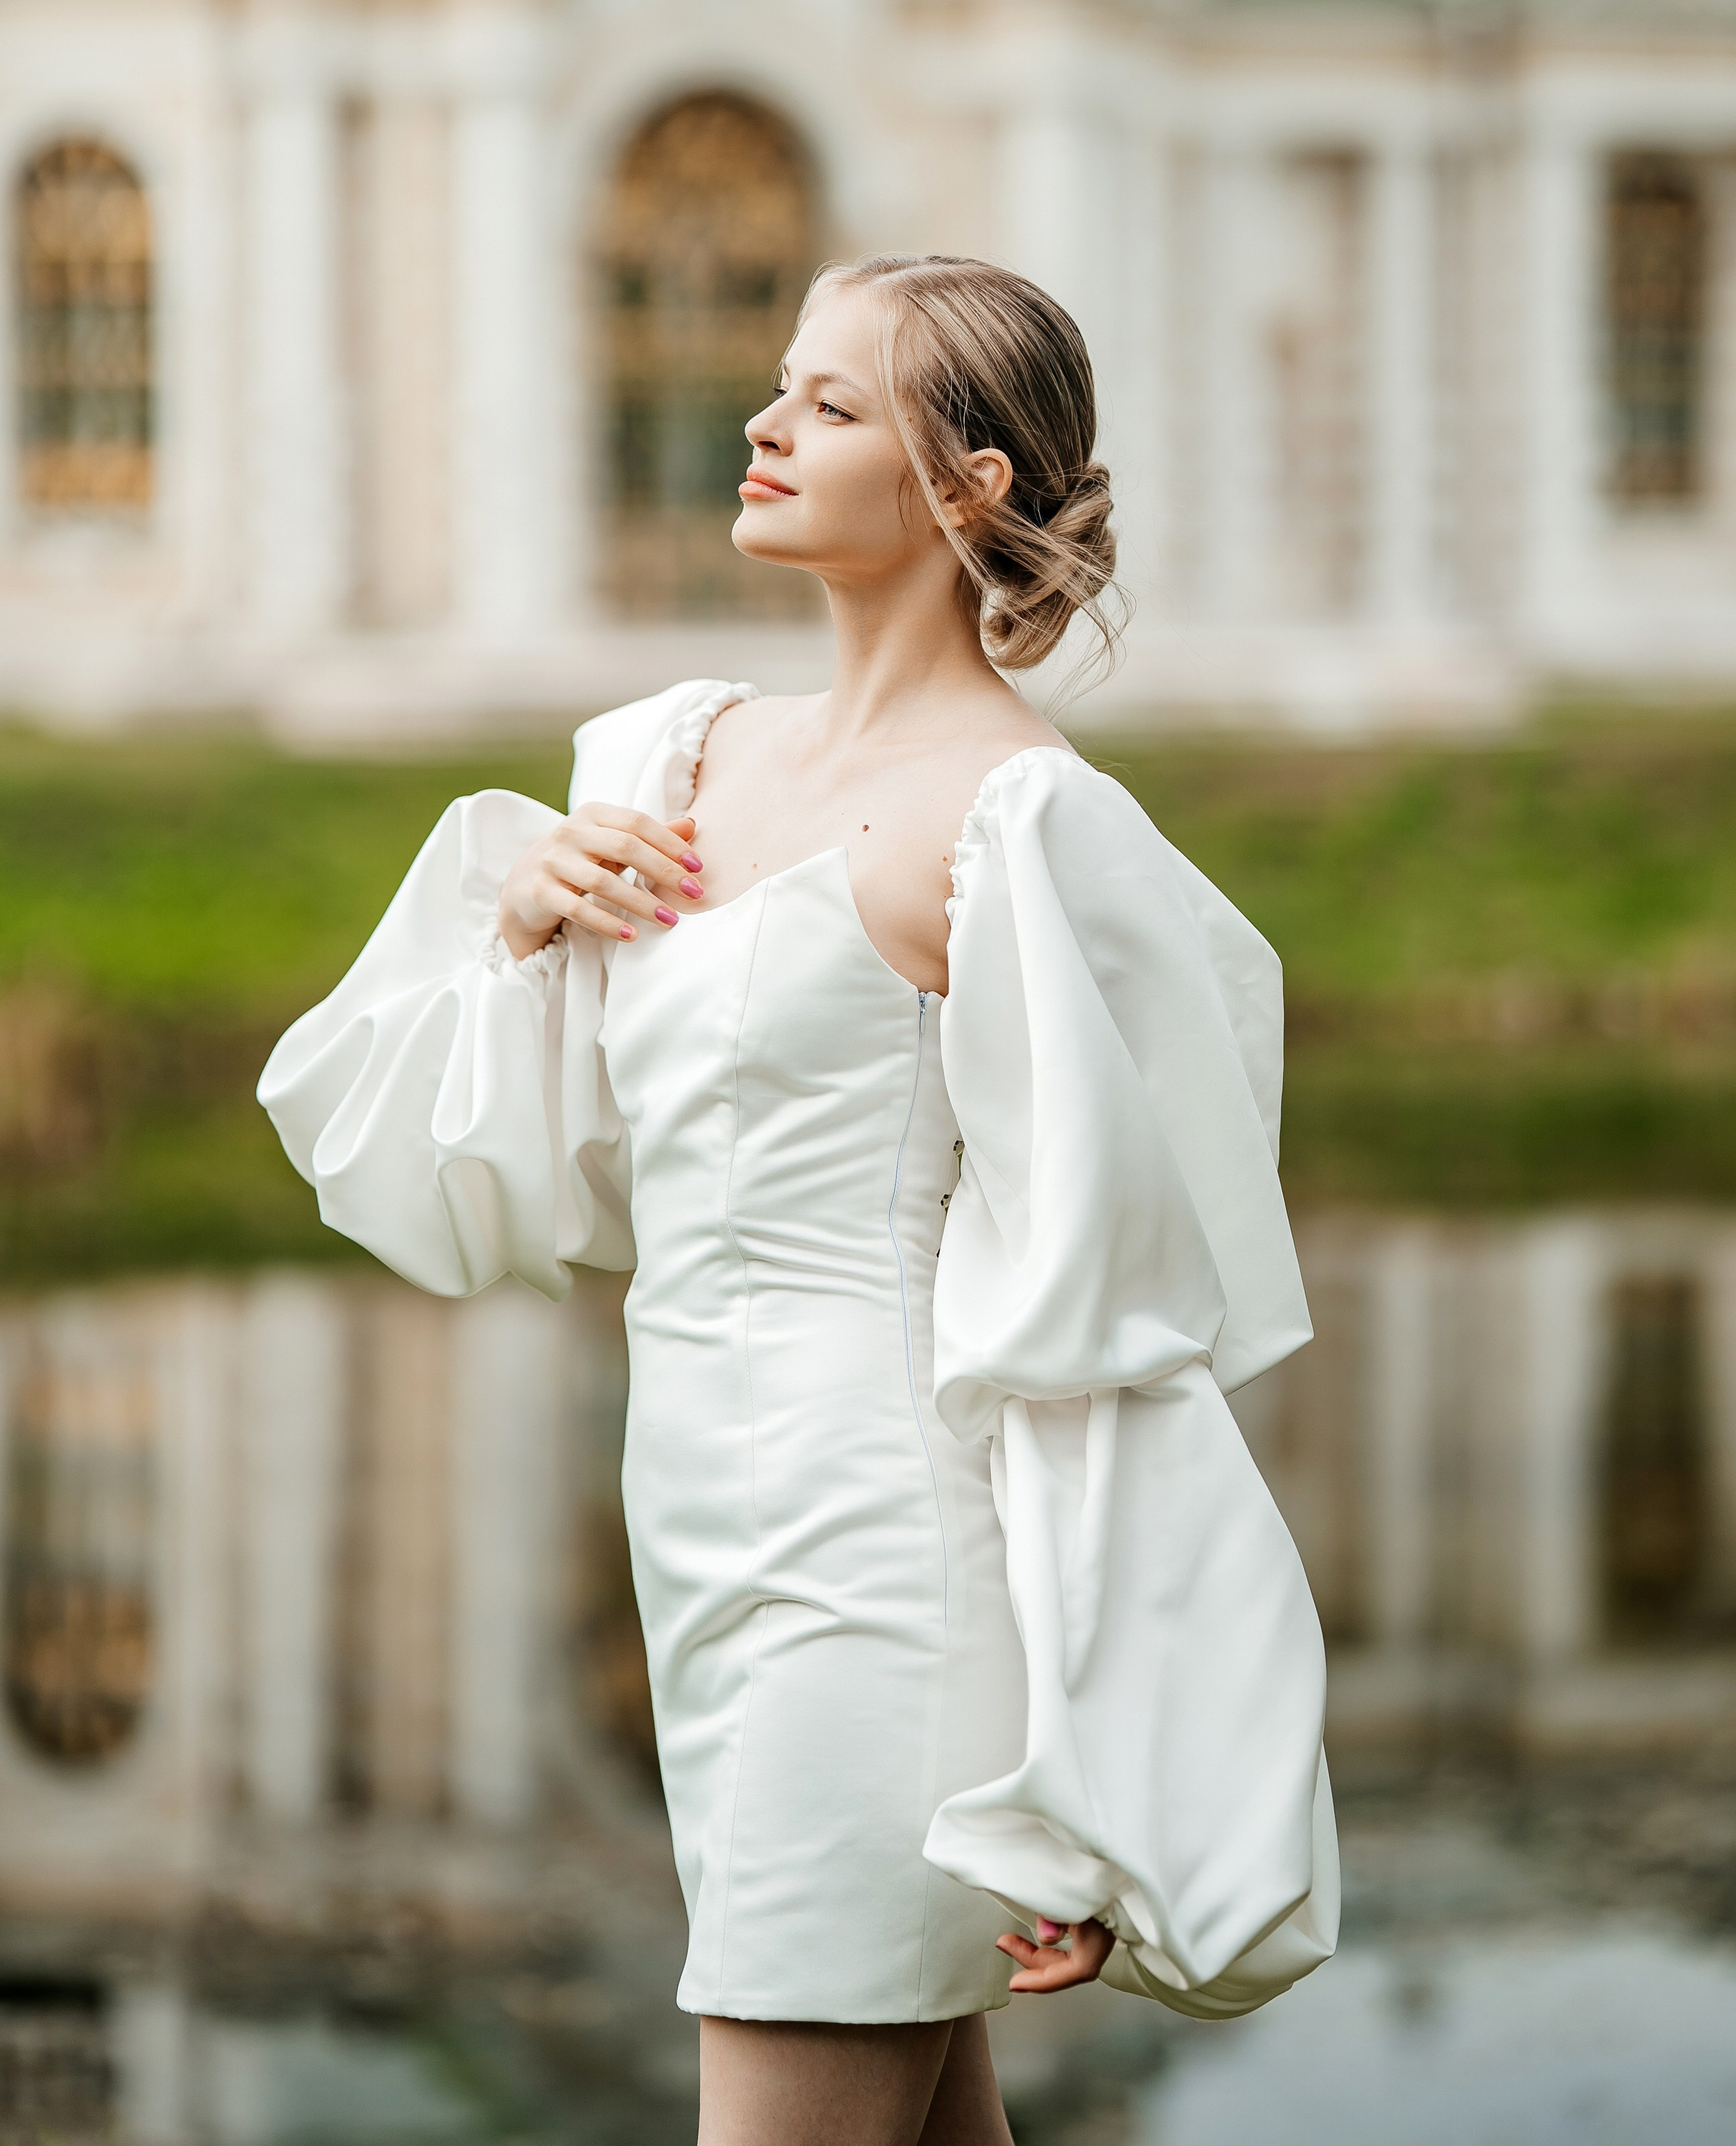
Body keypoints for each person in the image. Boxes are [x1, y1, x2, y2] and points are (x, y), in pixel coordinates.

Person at [260, 254, 1336, 2146]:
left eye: (834, 406)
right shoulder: (667, 756)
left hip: (876, 1570)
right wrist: (523, 921)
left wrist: (1088, 1765)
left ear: (969, 485)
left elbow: (1095, 1323)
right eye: (783, 386)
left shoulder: (1015, 825)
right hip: (696, 1536)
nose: (764, 426)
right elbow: (549, 1174)